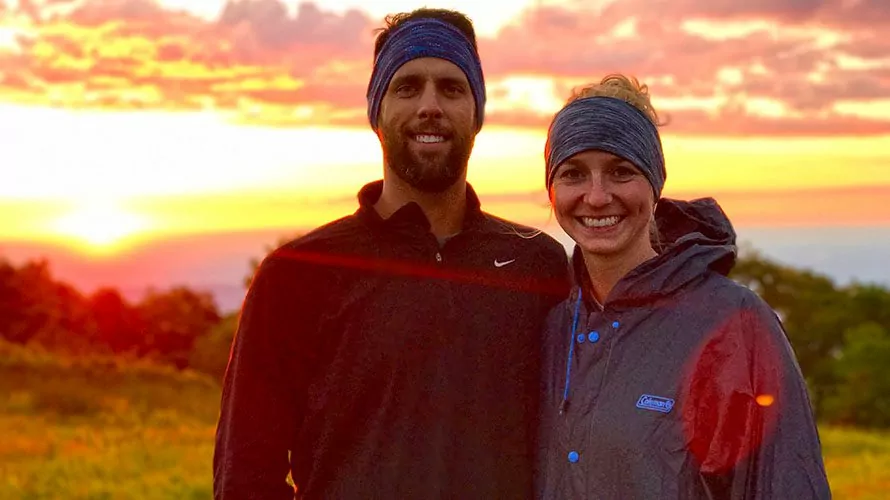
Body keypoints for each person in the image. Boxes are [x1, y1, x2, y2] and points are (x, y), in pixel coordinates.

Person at [213, 8, 571, 499]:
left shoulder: (540, 265)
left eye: (452, 88)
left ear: (477, 114)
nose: (430, 105)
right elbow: (246, 477)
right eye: (407, 87)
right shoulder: (297, 276)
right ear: (376, 113)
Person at [536, 75, 831, 499]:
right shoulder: (552, 326)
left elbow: (786, 484)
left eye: (621, 172)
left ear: (655, 185)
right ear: (552, 189)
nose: (597, 197)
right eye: (573, 174)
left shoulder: (733, 325)